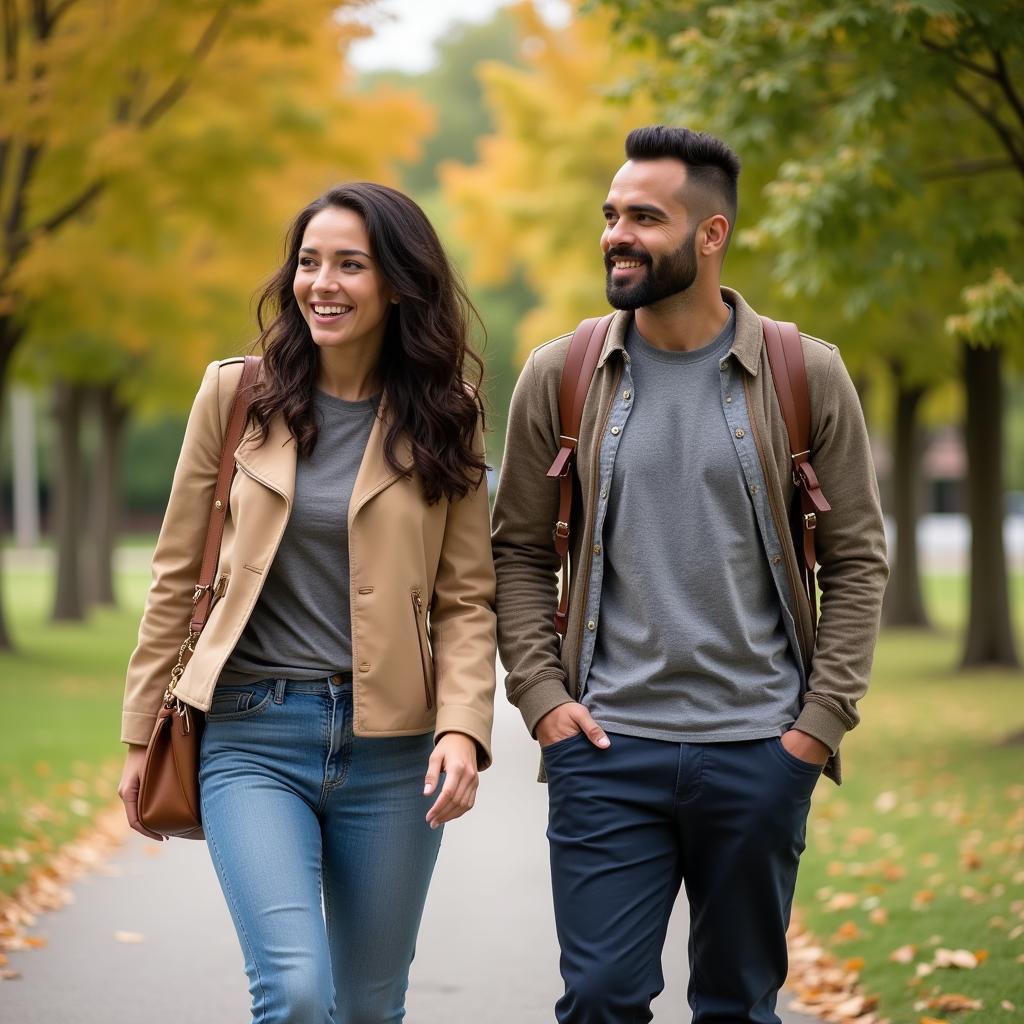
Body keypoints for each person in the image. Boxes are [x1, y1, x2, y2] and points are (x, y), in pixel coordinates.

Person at [492, 126, 888, 1023]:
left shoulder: (804, 373)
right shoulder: (561, 374)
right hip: (605, 750)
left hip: (761, 750)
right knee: (598, 1000)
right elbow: (515, 551)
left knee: (738, 1006)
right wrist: (543, 702)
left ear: (711, 235)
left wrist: (815, 731)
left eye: (644, 216)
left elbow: (859, 562)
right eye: (611, 215)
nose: (616, 234)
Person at [118, 182, 497, 1024]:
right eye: (308, 261)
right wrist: (143, 734)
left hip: (395, 754)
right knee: (291, 992)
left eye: (349, 265)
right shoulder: (236, 395)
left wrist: (464, 726)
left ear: (397, 282)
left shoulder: (447, 414)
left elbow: (466, 598)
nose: (321, 282)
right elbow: (177, 571)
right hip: (253, 732)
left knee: (368, 1007)